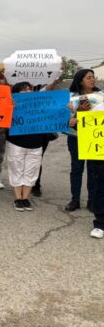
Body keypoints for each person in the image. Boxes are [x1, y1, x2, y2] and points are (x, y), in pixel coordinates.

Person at [65, 69, 103, 212]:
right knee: (76, 169)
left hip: (94, 138)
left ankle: (92, 200)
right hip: (75, 137)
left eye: (93, 77)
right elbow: (63, 118)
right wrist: (78, 112)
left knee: (93, 170)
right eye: (88, 77)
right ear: (80, 80)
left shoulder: (101, 96)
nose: (92, 80)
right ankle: (75, 200)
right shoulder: (71, 97)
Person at [7, 82, 45, 212]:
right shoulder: (10, 105)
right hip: (16, 143)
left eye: (29, 89)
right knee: (16, 169)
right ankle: (18, 198)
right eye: (24, 90)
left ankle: (26, 198)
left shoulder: (39, 104)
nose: (28, 91)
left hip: (36, 143)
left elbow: (54, 111)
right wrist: (10, 107)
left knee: (32, 171)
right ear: (16, 93)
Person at [88, 102, 104, 239]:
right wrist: (74, 123)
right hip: (100, 157)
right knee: (101, 189)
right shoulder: (99, 107)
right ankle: (100, 224)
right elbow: (87, 127)